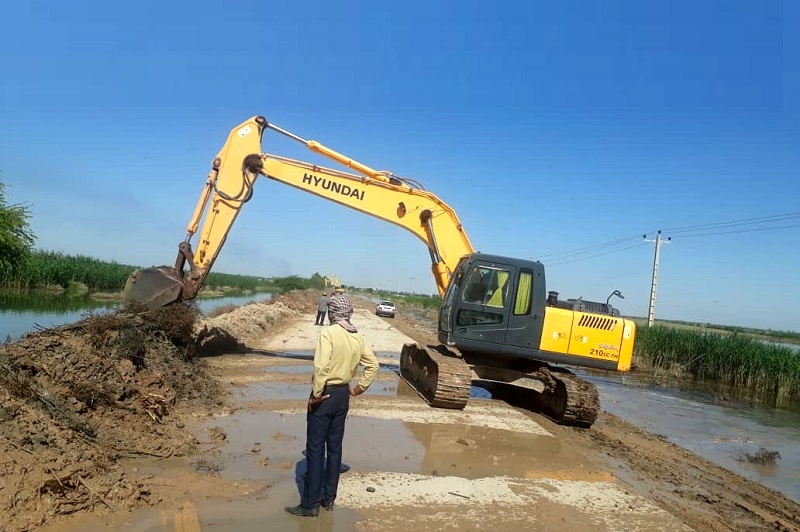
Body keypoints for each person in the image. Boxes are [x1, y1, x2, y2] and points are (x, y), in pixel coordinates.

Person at [285, 294, 379, 518]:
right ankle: (329, 499)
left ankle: (310, 505)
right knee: (335, 449)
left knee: (316, 450)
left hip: (325, 395)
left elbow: (321, 368)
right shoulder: (357, 337)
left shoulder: (328, 333)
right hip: (343, 396)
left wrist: (316, 395)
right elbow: (373, 365)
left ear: (331, 313)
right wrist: (357, 389)